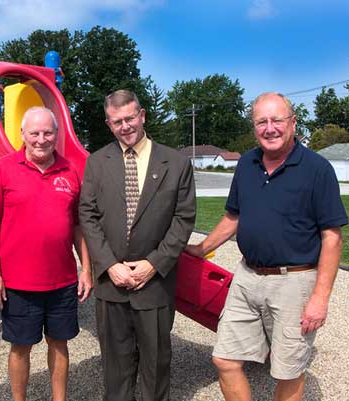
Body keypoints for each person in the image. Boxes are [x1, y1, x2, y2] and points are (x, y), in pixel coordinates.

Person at [185, 92, 348, 401]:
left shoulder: (317, 169)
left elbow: (332, 237)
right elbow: (234, 216)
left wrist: (320, 299)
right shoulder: (247, 163)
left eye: (277, 120)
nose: (270, 128)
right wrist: (201, 248)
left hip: (294, 282)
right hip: (247, 278)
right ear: (254, 126)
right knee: (225, 359)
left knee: (288, 370)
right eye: (262, 121)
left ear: (293, 123)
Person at [79, 89, 196, 401]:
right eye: (117, 121)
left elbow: (183, 219)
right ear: (109, 124)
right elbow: (87, 216)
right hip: (111, 282)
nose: (125, 126)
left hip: (154, 282)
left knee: (155, 362)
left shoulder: (175, 162)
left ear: (142, 115)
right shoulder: (96, 162)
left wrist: (154, 264)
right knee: (115, 363)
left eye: (130, 118)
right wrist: (109, 265)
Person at [0, 106, 92, 401]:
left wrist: (86, 270)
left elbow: (78, 225)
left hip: (62, 281)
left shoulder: (70, 170)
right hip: (18, 283)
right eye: (35, 133)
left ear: (57, 135)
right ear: (23, 134)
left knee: (60, 344)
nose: (41, 139)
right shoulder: (4, 168)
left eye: (48, 133)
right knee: (21, 347)